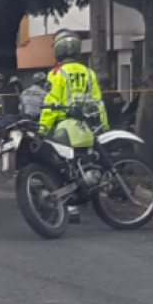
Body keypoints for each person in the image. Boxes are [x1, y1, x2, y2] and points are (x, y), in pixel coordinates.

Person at [40, 29, 109, 223]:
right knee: (86, 161)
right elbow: (98, 101)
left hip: (64, 126)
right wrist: (104, 124)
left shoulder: (56, 74)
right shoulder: (89, 73)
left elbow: (50, 104)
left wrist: (44, 128)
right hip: (87, 126)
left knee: (61, 167)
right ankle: (84, 195)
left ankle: (70, 208)